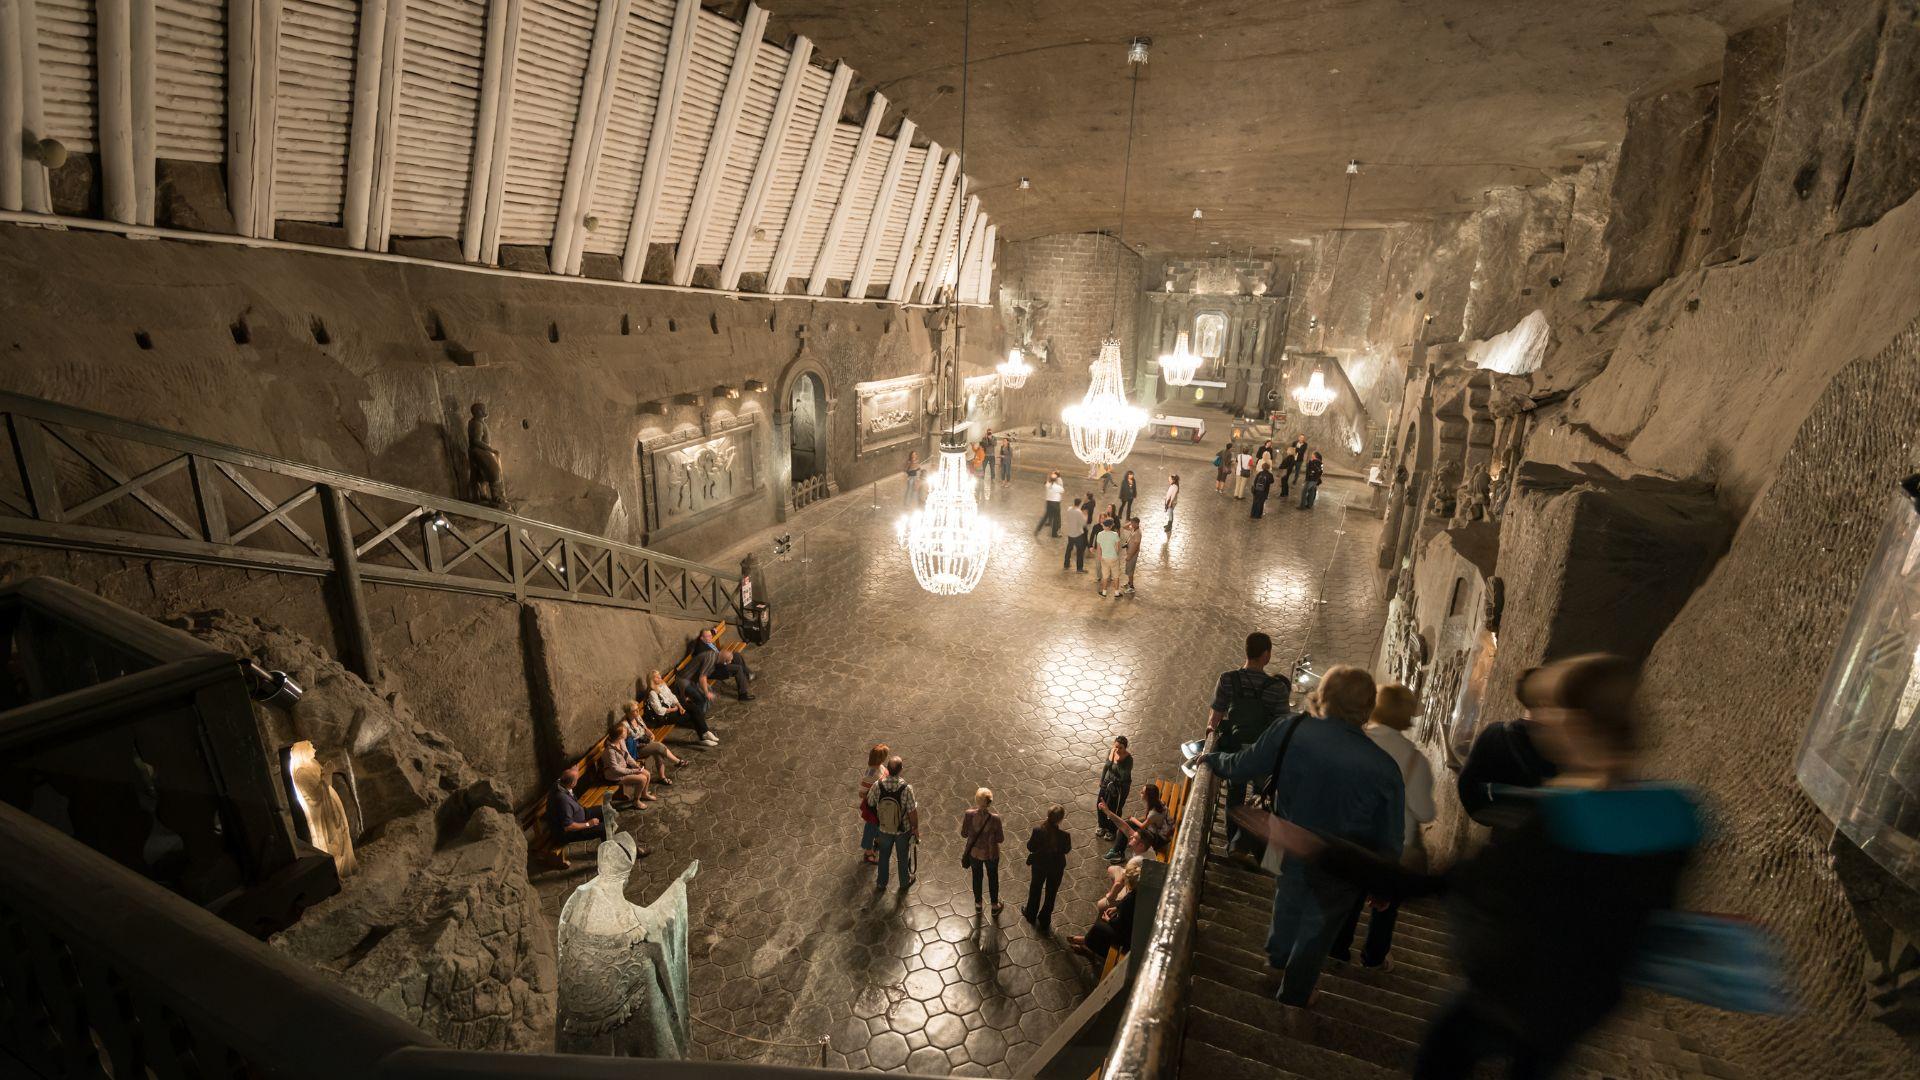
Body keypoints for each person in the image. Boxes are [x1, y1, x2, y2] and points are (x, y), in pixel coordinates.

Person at [1251, 655, 1698, 1079]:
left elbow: (1441, 883)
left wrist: (1318, 847)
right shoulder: (1673, 814)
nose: (1542, 721)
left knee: (1443, 1057)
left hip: (1507, 994)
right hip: (1584, 1006)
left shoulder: (1563, 820)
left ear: (1580, 723)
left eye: (1552, 710)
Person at [1200, 665, 1402, 1008]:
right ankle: (1293, 995)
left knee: (1289, 894)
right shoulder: (1384, 768)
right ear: (1367, 708)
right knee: (1319, 928)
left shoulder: (1290, 728)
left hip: (1290, 841)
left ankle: (1276, 961)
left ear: (1323, 696)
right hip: (1343, 864)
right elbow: (1390, 836)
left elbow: (1243, 764)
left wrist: (1211, 757)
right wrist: (1383, 886)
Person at [1328, 684, 1435, 971]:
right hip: (1394, 843)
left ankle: (1337, 949)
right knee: (1387, 904)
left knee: (1349, 894)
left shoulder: (1355, 741)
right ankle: (1374, 957)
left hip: (1352, 833)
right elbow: (1425, 811)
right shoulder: (1416, 760)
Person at [1207, 632, 1293, 852]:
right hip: (1263, 754)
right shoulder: (1277, 688)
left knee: (1234, 798)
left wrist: (1210, 738)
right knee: (1260, 797)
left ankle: (1231, 843)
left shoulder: (1228, 679)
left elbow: (1215, 717)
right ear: (1266, 654)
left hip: (1235, 751)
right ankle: (1250, 846)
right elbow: (1282, 725)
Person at [1456, 669, 1559, 823]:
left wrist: (1501, 818)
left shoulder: (1494, 734)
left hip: (1514, 837)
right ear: (1543, 700)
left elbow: (1468, 789)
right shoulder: (1561, 741)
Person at [547, 762, 649, 867]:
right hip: (569, 832)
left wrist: (574, 770)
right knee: (604, 828)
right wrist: (589, 824)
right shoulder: (562, 801)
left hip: (580, 814)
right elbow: (568, 827)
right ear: (572, 784)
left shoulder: (560, 782)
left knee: (606, 811)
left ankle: (613, 844)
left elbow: (569, 775)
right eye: (577, 779)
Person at [866, 756, 919, 892]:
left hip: (884, 828)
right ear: (900, 770)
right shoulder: (906, 788)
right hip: (903, 830)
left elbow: (870, 802)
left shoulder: (878, 785)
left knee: (884, 856)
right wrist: (915, 828)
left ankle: (881, 883)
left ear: (888, 769)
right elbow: (912, 811)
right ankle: (904, 882)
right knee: (902, 856)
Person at [1071, 863, 1141, 960]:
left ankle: (1089, 945)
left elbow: (1120, 924)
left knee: (1098, 927)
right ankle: (1087, 942)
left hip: (1128, 937)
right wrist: (1117, 908)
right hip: (1132, 929)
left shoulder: (1129, 898)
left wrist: (1109, 920)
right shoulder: (1139, 891)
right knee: (1103, 920)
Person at [1022, 805, 1072, 934]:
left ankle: (1031, 913)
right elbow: (1066, 850)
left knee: (1035, 888)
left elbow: (1030, 847)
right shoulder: (1065, 836)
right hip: (1056, 867)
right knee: (1051, 892)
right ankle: (1044, 919)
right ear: (1060, 820)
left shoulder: (1038, 830)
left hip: (1039, 865)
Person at [960, 787, 1006, 913]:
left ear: (976, 800)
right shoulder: (995, 819)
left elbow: (963, 834)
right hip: (991, 854)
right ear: (990, 802)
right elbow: (1000, 839)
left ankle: (978, 904)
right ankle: (994, 906)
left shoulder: (969, 814)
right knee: (993, 878)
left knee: (976, 877)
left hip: (974, 853)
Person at [623, 696, 686, 782]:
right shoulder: (625, 725)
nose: (638, 711)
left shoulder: (637, 718)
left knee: (657, 751)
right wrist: (641, 743)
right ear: (628, 713)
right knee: (658, 747)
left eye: (638, 709)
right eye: (635, 710)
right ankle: (677, 761)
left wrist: (651, 735)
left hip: (646, 743)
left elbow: (645, 729)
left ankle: (662, 777)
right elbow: (625, 744)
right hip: (637, 749)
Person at [1101, 782, 1169, 862]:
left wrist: (1133, 819)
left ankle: (1118, 852)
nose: (1140, 793)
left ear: (1148, 797)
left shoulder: (1153, 813)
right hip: (1156, 828)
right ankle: (1117, 850)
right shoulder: (1157, 803)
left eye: (1143, 792)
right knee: (1126, 825)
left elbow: (1142, 826)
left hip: (1157, 838)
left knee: (1127, 825)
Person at [600, 719, 656, 808]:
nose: (627, 732)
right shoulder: (610, 751)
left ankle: (644, 794)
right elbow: (615, 769)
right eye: (625, 731)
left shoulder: (621, 741)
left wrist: (635, 765)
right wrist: (633, 771)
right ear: (620, 736)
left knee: (647, 774)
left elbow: (627, 755)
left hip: (623, 770)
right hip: (614, 776)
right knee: (642, 779)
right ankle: (636, 801)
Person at [689, 628, 753, 700]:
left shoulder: (705, 640)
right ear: (701, 638)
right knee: (738, 668)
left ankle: (746, 675)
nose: (710, 637)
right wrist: (725, 662)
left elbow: (707, 634)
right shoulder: (702, 650)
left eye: (711, 635)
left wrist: (713, 631)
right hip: (714, 669)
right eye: (708, 636)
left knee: (736, 655)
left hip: (719, 660)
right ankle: (743, 695)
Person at [1096, 736, 1133, 840]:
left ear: (1125, 748)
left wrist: (1118, 761)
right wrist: (1102, 779)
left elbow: (1123, 775)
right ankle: (1102, 825)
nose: (1117, 749)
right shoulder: (1111, 751)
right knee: (1100, 804)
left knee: (1114, 809)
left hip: (1120, 788)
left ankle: (1112, 830)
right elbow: (1107, 766)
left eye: (1120, 748)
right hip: (1108, 783)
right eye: (1116, 746)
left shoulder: (1129, 760)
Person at [859, 743, 889, 865]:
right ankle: (868, 852)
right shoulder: (870, 774)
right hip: (873, 807)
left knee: (877, 825)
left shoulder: (880, 767)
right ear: (881, 758)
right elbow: (862, 793)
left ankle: (877, 841)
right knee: (870, 828)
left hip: (880, 806)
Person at [1094, 513, 1123, 597]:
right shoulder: (1115, 535)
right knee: (1116, 576)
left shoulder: (1099, 534)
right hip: (1113, 558)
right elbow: (1117, 548)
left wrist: (1100, 557)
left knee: (1105, 577)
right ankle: (1116, 593)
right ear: (1111, 526)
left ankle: (1104, 593)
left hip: (1104, 558)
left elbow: (1099, 549)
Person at [1034, 472, 1064, 537]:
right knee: (1056, 519)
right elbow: (1062, 490)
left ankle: (1037, 529)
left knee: (1045, 517)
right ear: (1056, 479)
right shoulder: (1057, 487)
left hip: (1049, 503)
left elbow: (1047, 482)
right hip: (1056, 504)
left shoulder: (1048, 485)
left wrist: (1049, 477)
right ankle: (1054, 534)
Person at [1062, 499, 1089, 573]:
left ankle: (1066, 564)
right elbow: (1083, 523)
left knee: (1069, 549)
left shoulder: (1069, 509)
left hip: (1070, 533)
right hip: (1078, 534)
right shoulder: (1079, 512)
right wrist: (1085, 515)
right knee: (1080, 551)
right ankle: (1079, 568)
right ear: (1079, 504)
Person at [1121, 516, 1142, 596]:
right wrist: (1130, 522)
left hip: (1132, 554)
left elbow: (1136, 546)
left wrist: (1130, 555)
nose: (1131, 524)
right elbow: (1124, 527)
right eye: (1131, 523)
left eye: (1133, 523)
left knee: (1130, 570)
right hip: (1129, 552)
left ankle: (1131, 587)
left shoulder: (1138, 533)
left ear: (1137, 524)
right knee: (1128, 569)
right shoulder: (1133, 528)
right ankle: (1129, 583)